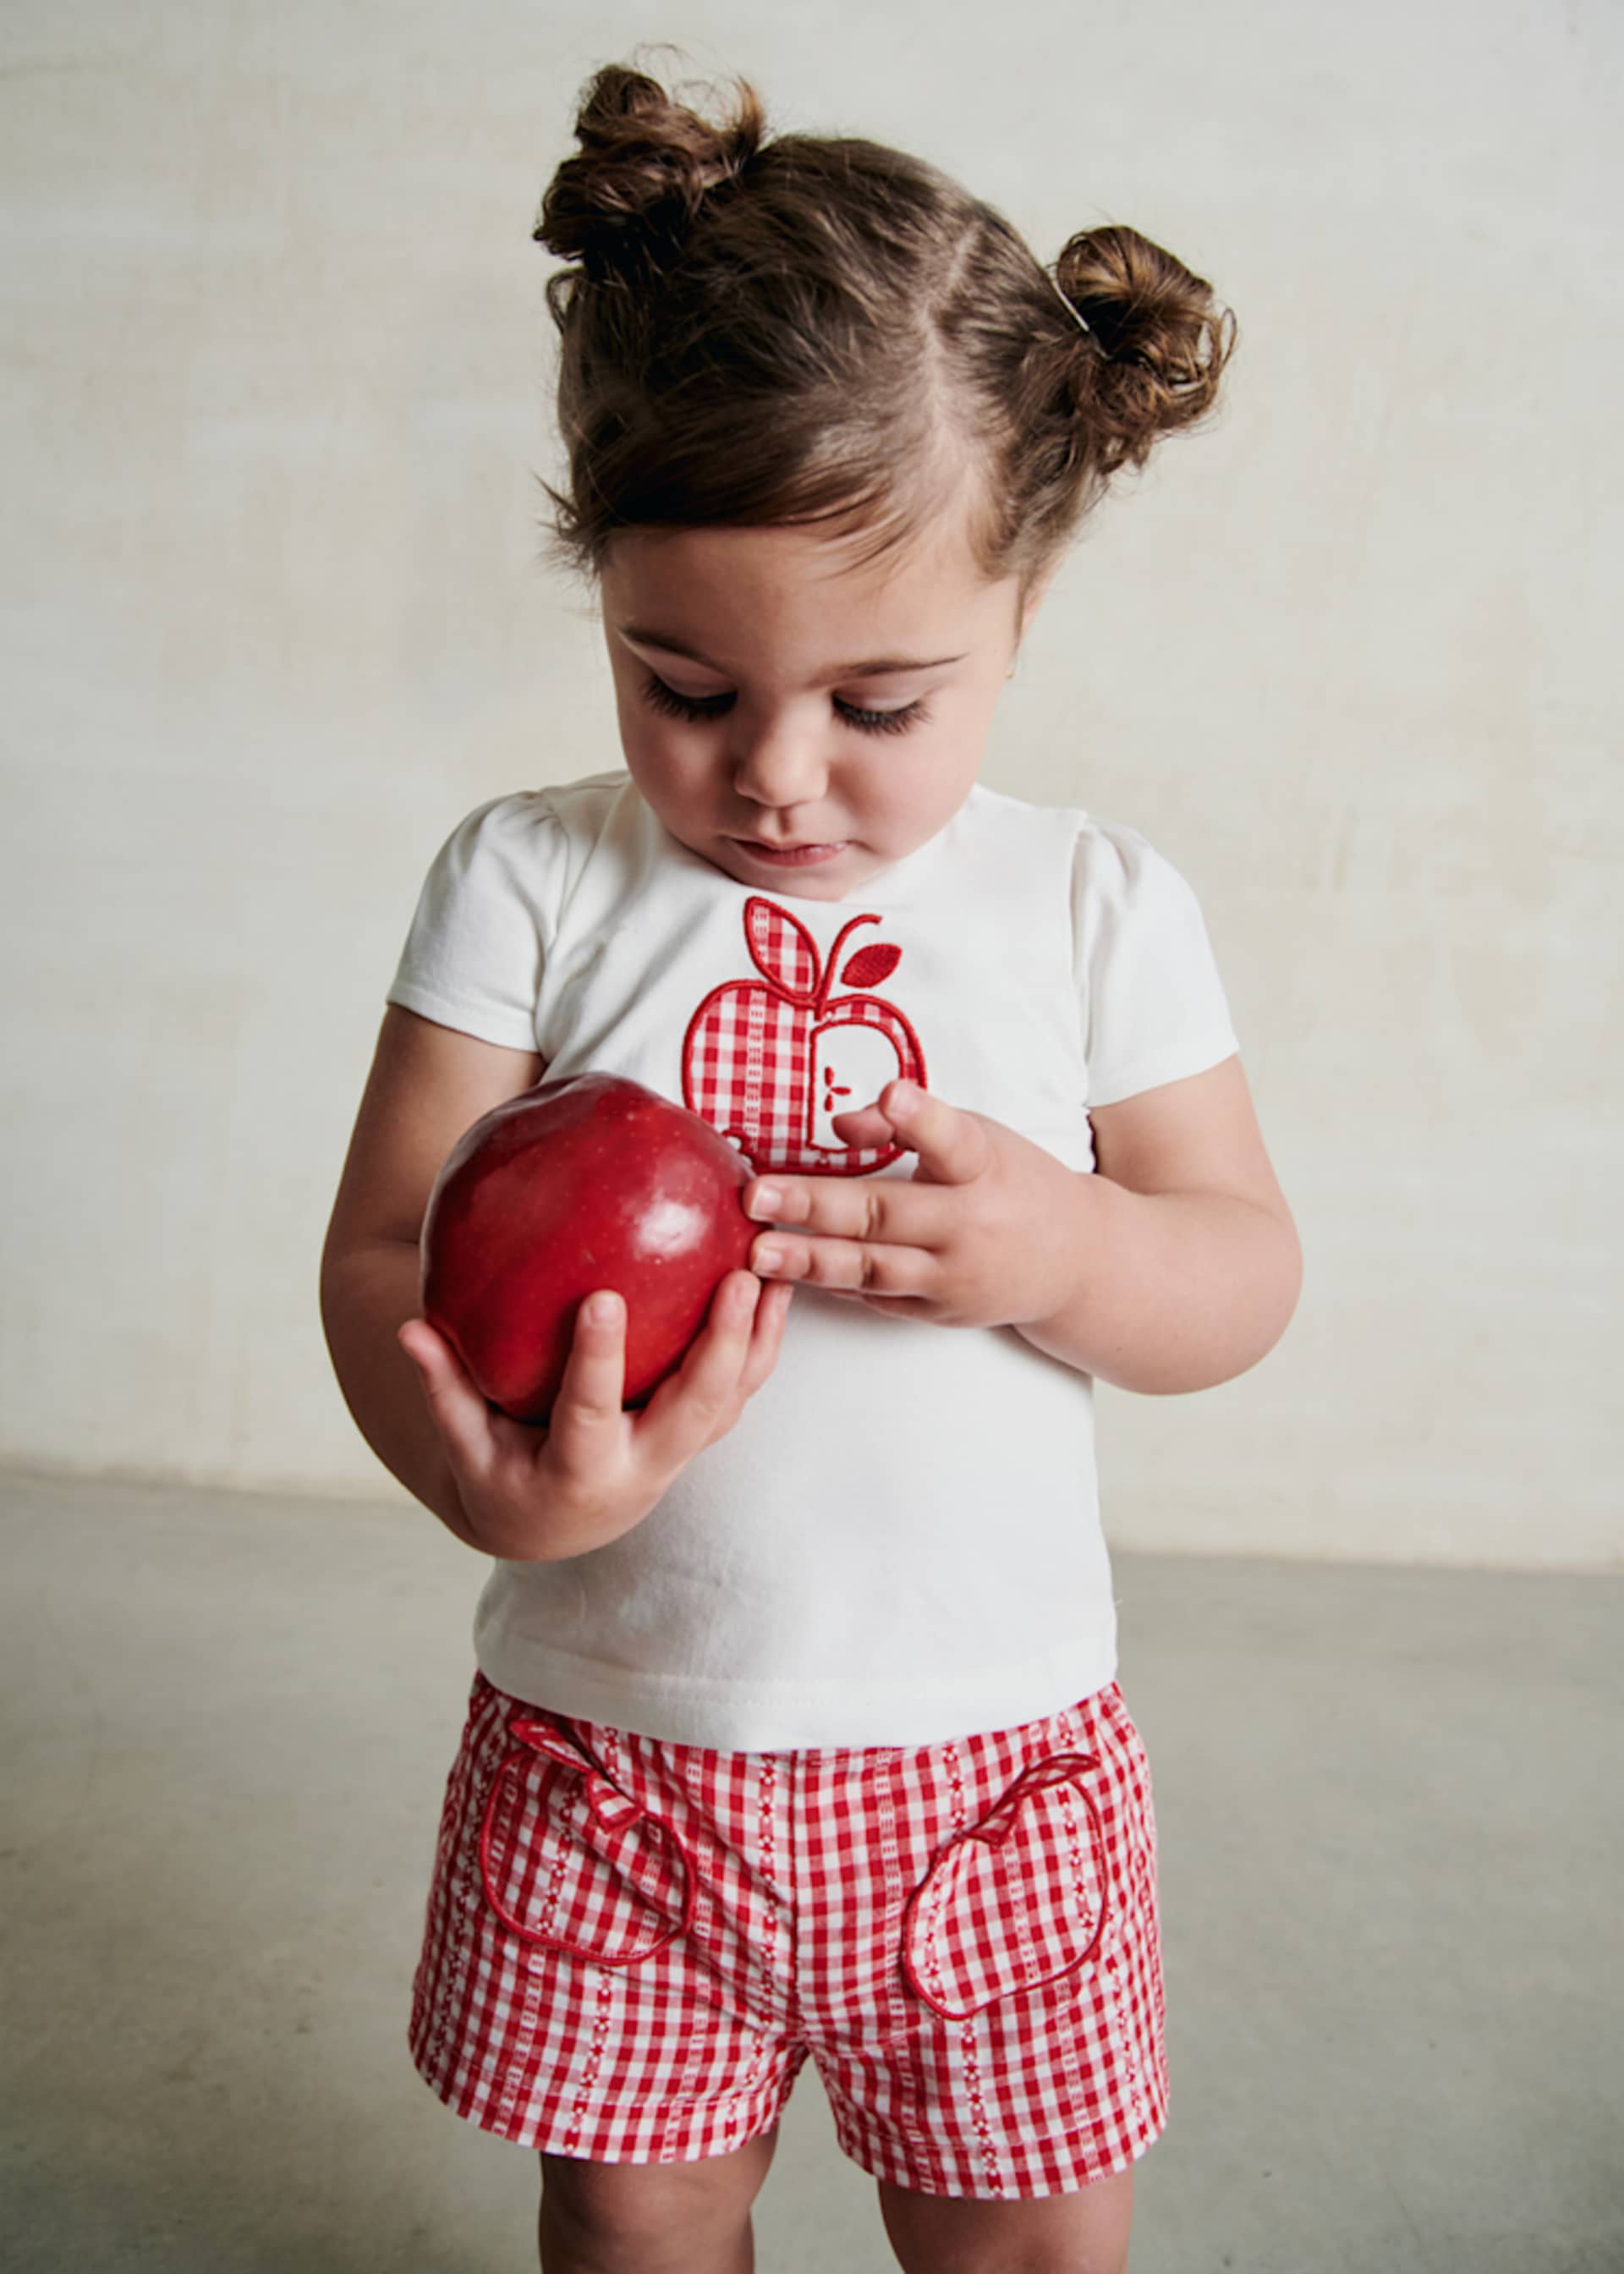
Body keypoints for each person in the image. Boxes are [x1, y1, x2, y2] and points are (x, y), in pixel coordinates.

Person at [319, 52, 1303, 2274]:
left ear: (1022, 612)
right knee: (642, 2235)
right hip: (621, 1748)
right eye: (681, 684)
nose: (774, 777)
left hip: (995, 1763)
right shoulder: (533, 883)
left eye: (881, 706)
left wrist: (1067, 1246)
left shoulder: (1091, 910)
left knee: (1030, 2245)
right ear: (601, 587)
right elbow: (382, 1242)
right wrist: (477, 1474)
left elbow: (1242, 1270)